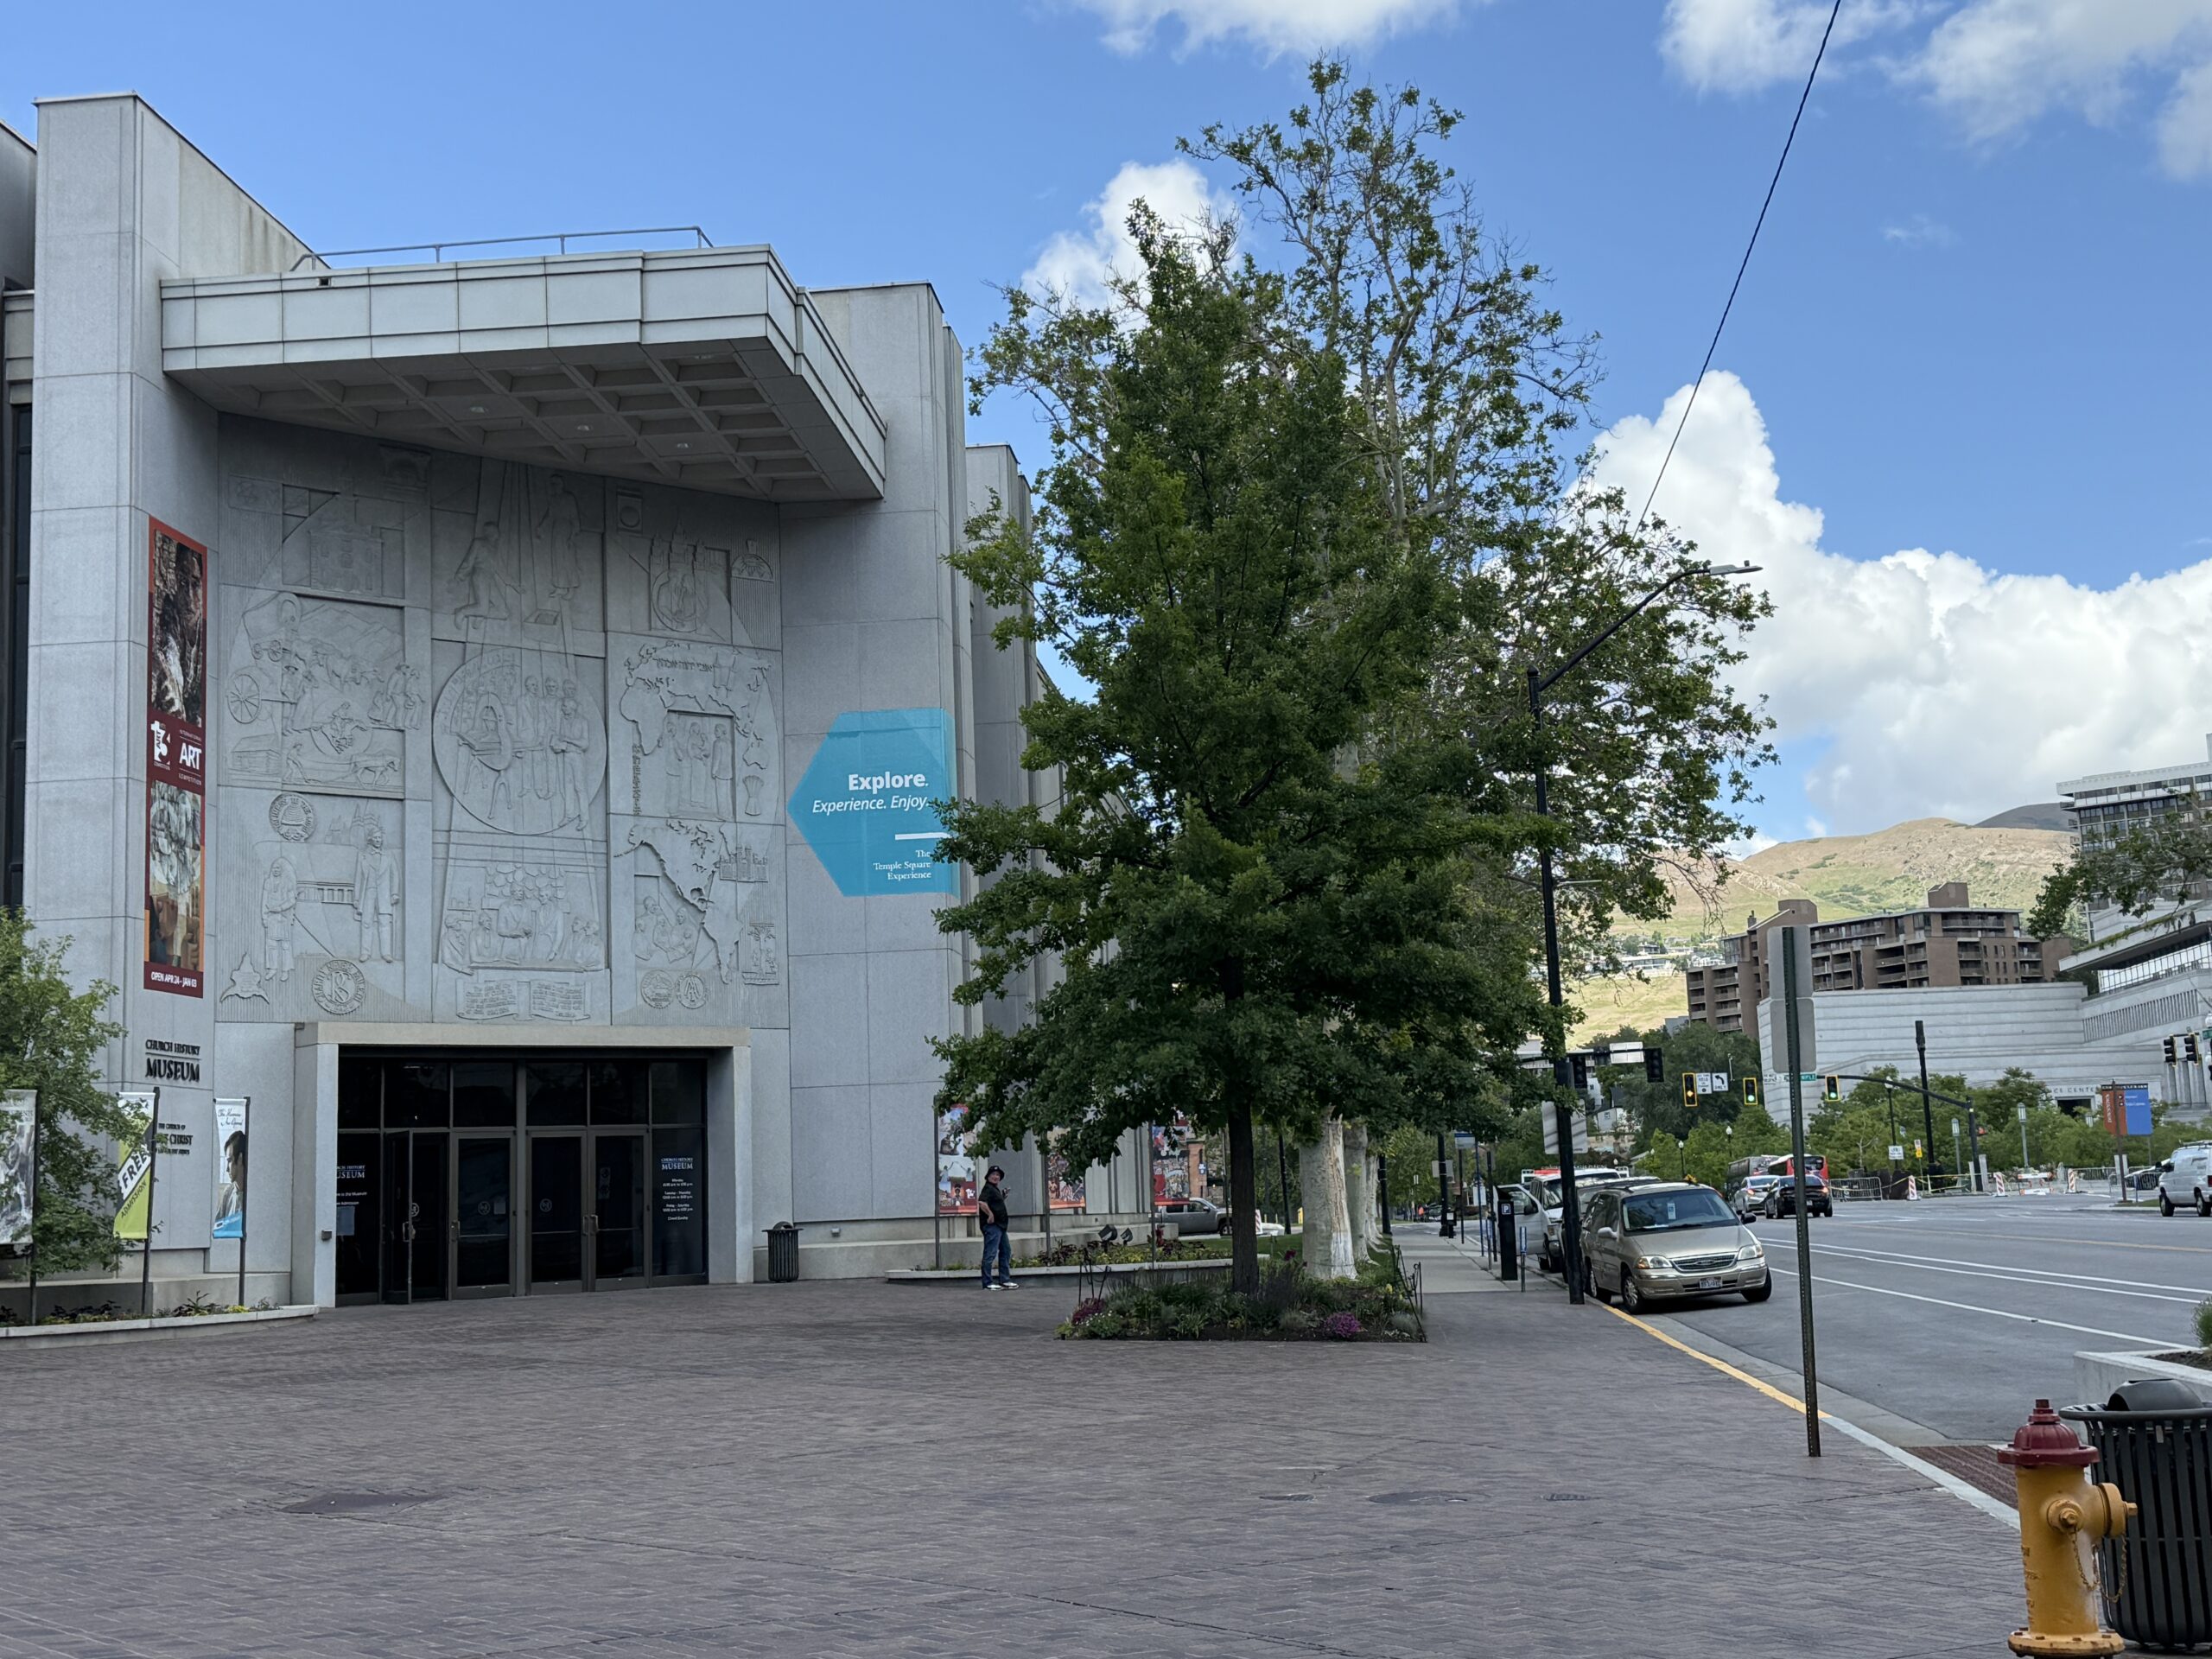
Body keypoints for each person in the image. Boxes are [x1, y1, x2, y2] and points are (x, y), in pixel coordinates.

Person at [977, 1165, 1015, 1290]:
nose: (996, 1177)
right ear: (988, 1176)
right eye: (993, 1174)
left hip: (1001, 1226)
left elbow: (995, 1203)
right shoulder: (988, 1188)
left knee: (1006, 1251)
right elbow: (982, 1202)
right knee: (990, 1253)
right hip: (992, 1227)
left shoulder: (995, 1189)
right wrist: (990, 1214)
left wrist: (1003, 1196)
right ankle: (987, 1282)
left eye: (998, 1175)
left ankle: (1005, 1280)